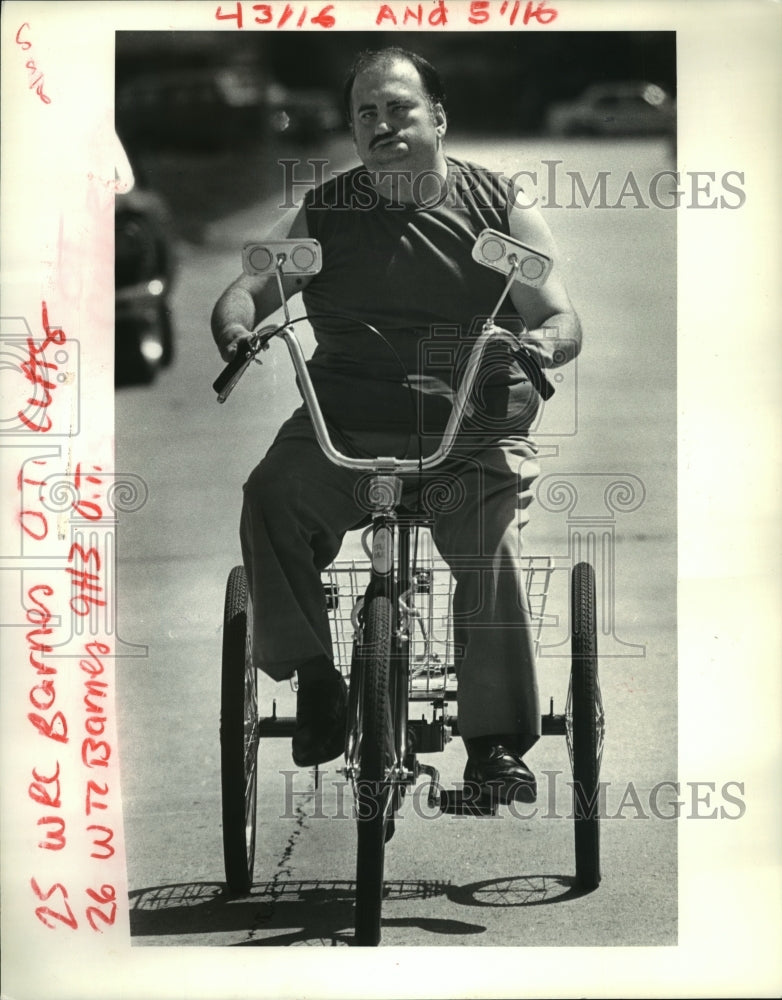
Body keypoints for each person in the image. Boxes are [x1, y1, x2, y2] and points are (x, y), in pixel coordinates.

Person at [211, 47, 582, 803]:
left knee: (491, 553)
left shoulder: (498, 209)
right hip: (344, 427)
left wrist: (542, 342)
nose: (383, 125)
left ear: (438, 118)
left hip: (471, 429)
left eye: (399, 109)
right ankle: (317, 680)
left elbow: (559, 314)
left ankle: (493, 748)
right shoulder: (325, 212)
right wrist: (239, 327)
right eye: (366, 114)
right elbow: (245, 290)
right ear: (352, 129)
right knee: (271, 495)